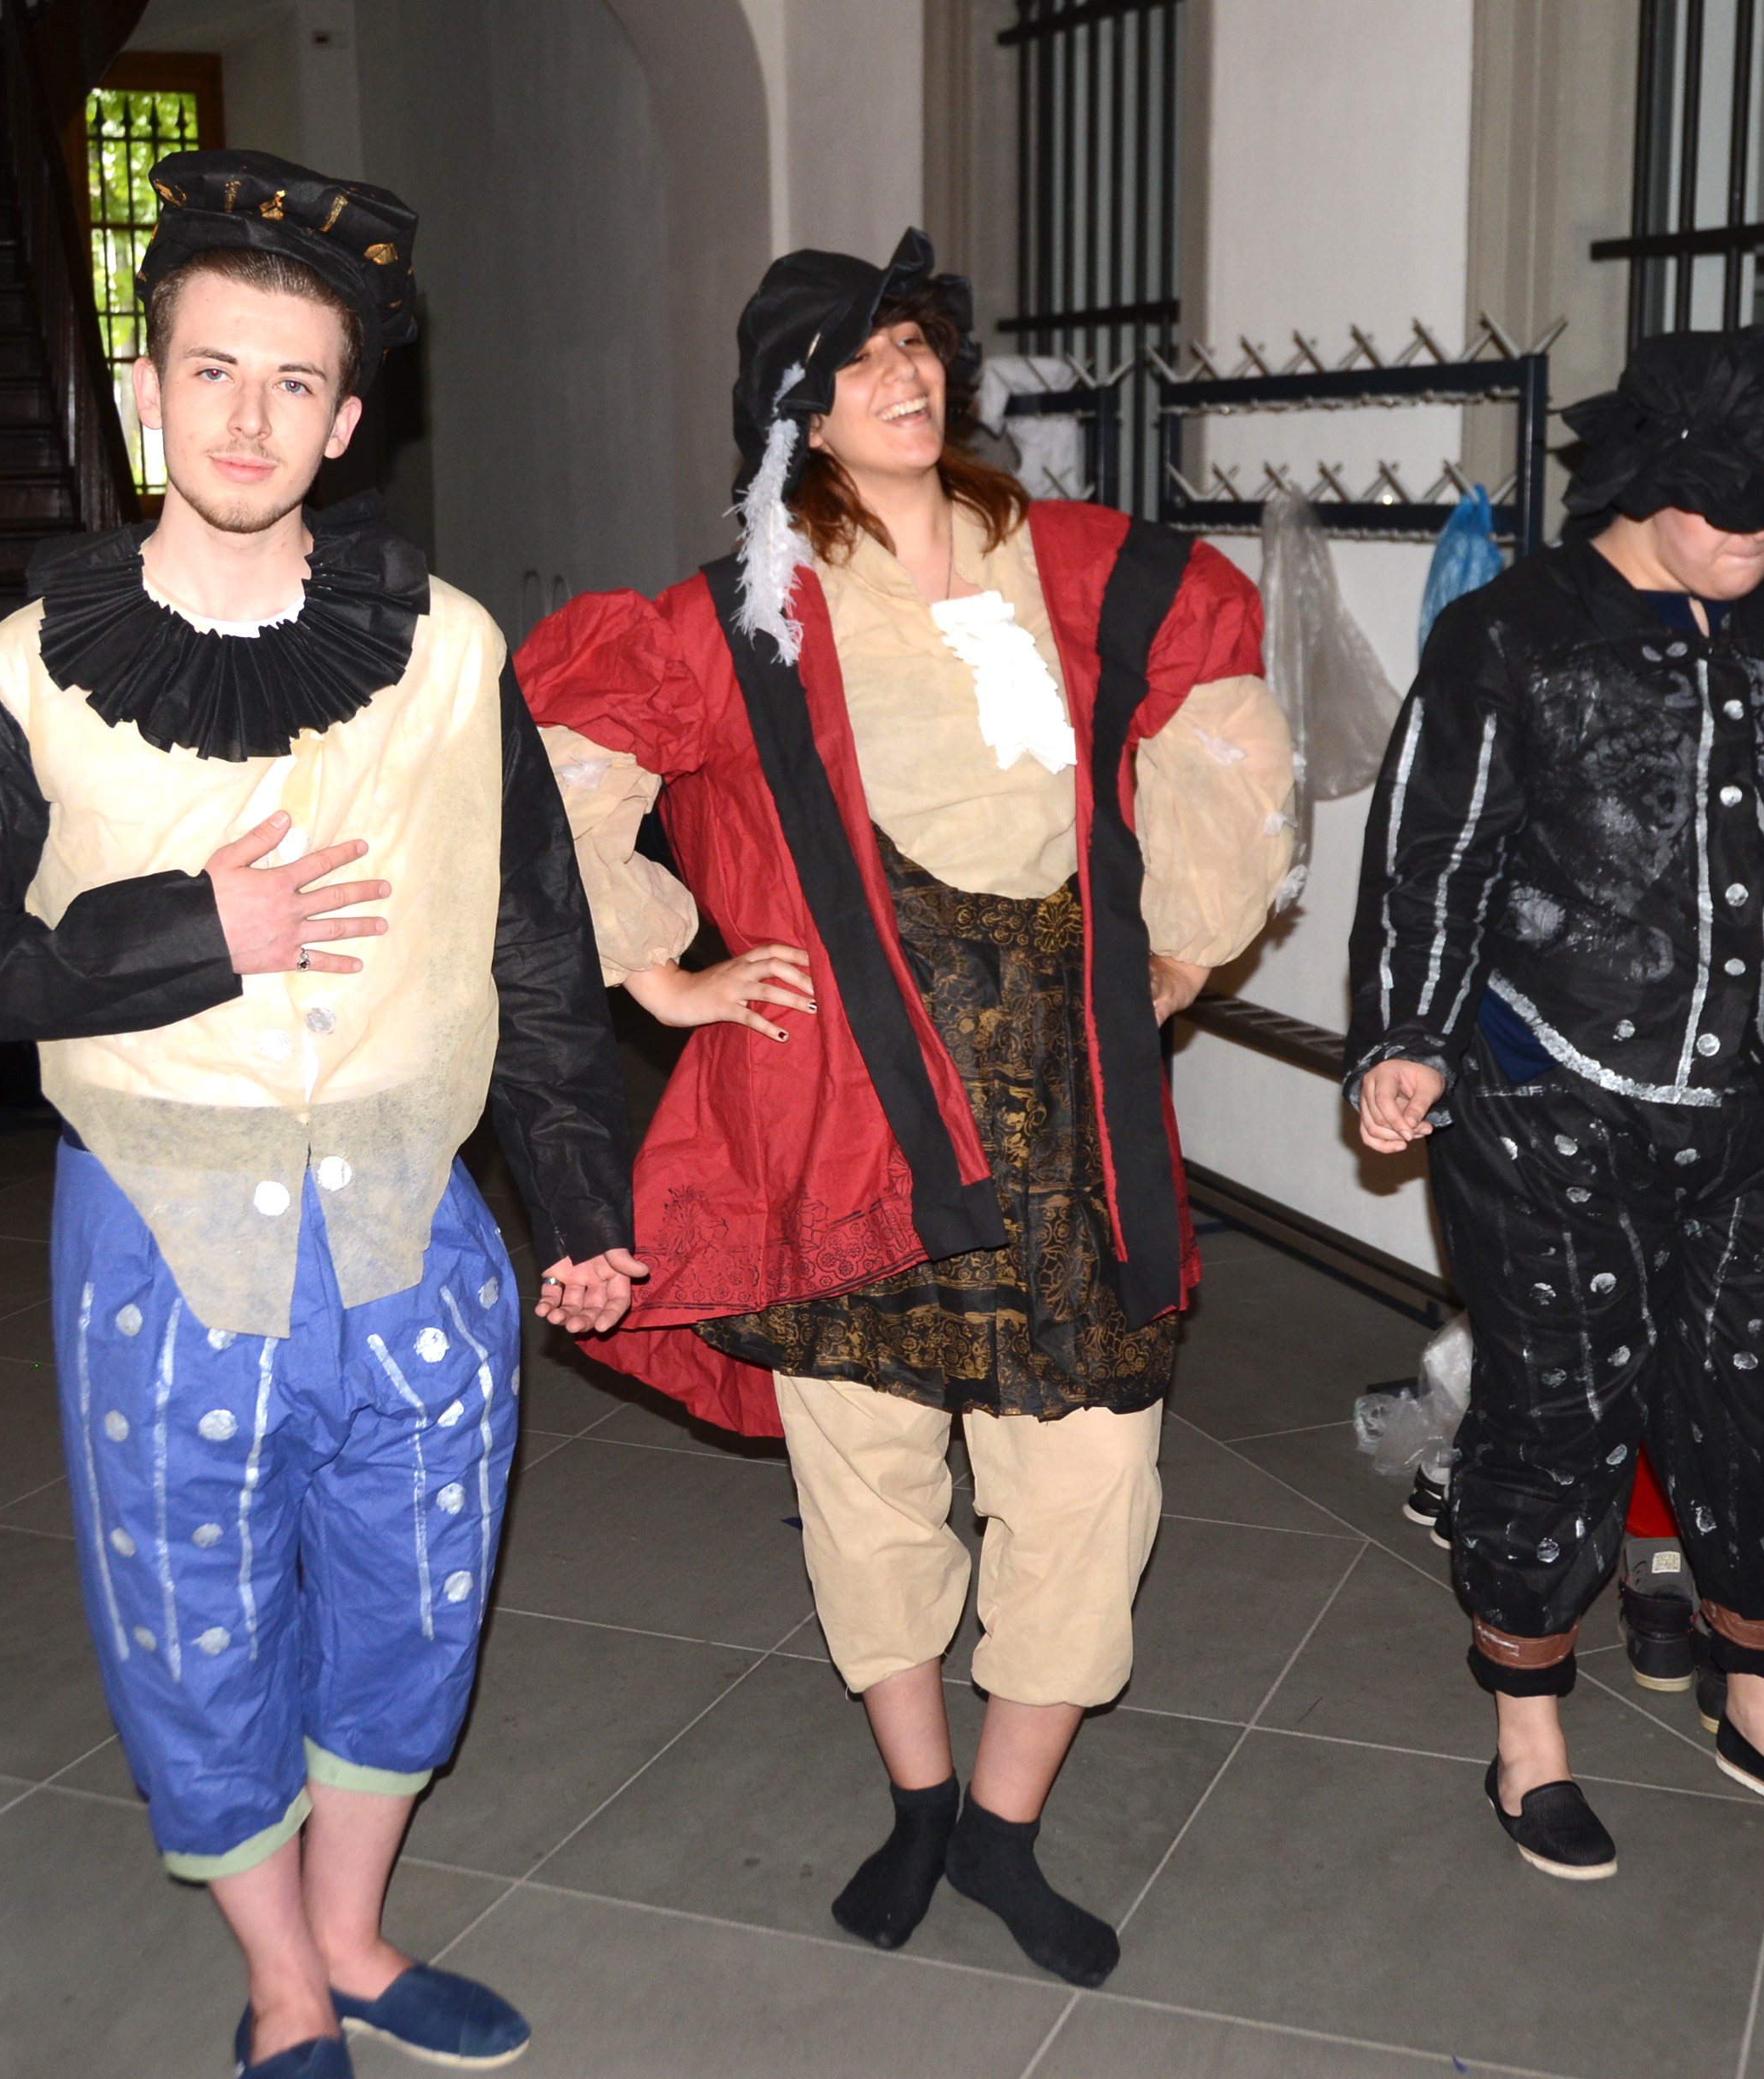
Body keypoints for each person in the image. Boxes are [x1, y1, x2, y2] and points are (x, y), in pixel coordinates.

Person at [0, 150, 639, 2079]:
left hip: (415, 1217)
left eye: (294, 381)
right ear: (148, 386)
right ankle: (282, 1976)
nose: (248, 417)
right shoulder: (24, 675)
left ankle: (359, 1931)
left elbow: (536, 937)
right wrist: (186, 931)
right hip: (161, 1223)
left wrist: (581, 1199)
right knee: (192, 1607)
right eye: (212, 370)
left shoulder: (448, 650)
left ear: (348, 418)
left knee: (419, 1584)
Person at [515, 230, 1293, 1986]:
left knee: (1090, 1477)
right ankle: (923, 1800)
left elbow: (1224, 713)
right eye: (860, 361)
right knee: (868, 1473)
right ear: (795, 412)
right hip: (838, 1115)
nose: (904, 379)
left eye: (919, 347)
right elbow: (559, 763)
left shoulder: (1075, 565)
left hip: (1062, 1109)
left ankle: (1007, 1829)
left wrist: (1183, 939)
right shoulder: (745, 611)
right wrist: (659, 970)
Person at [1343, 324, 1764, 1881]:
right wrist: (1408, 1038)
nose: (1754, 544)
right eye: (1727, 514)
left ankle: (1762, 1712)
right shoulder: (1510, 635)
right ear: (1644, 481)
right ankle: (1529, 1739)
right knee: (1556, 1418)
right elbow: (1433, 859)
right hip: (1552, 1101)